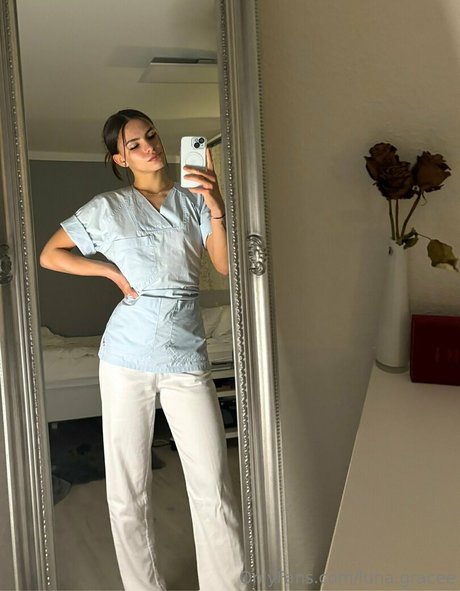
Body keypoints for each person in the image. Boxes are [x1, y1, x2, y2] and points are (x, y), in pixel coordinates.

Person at [40, 109, 247, 591]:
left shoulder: (194, 201)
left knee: (213, 485)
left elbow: (224, 265)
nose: (149, 146)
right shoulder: (108, 207)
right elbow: (51, 254)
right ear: (120, 159)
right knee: (128, 489)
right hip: (124, 358)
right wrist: (108, 271)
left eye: (151, 135)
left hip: (186, 356)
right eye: (134, 144)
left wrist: (216, 203)